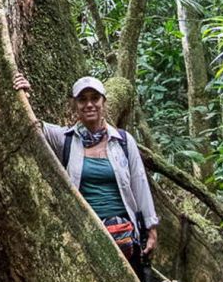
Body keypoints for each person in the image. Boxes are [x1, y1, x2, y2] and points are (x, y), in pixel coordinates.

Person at [13, 73, 158, 271]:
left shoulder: (123, 141)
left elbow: (139, 183)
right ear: (74, 105)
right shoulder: (65, 139)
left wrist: (150, 227)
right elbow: (31, 125)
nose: (89, 104)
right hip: (86, 236)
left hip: (124, 236)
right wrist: (24, 95)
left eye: (94, 98)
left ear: (103, 102)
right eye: (82, 99)